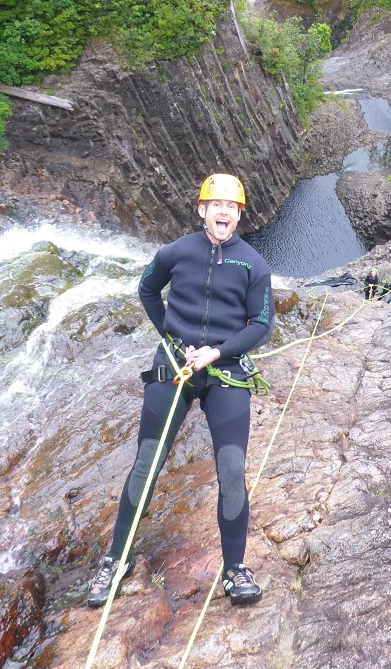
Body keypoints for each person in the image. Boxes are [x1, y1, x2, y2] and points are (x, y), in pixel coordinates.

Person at [87, 173, 274, 609]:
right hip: (174, 365)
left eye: (232, 207)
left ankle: (235, 569)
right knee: (146, 463)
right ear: (202, 210)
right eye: (216, 205)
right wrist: (170, 337)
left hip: (224, 370)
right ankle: (116, 560)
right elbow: (147, 289)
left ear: (239, 215)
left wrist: (217, 352)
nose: (224, 212)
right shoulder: (175, 252)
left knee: (232, 469)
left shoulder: (254, 265)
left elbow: (261, 324)